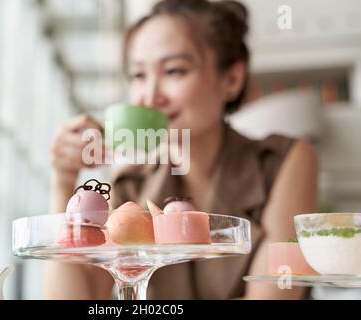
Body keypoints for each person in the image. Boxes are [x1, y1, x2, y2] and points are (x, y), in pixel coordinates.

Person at [45, 0, 318, 299]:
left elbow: (276, 295)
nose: (150, 96)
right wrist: (63, 182)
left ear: (231, 79)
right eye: (138, 75)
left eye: (174, 71)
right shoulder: (129, 188)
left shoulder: (285, 162)